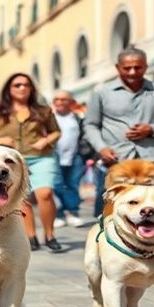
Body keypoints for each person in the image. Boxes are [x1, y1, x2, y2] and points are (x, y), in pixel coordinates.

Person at [84, 47, 154, 217]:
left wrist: (152, 129)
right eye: (127, 68)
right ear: (117, 67)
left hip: (153, 160)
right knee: (110, 210)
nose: (132, 72)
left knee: (152, 211)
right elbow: (90, 125)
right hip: (115, 159)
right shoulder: (101, 93)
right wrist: (101, 148)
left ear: (146, 67)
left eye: (138, 67)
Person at [0, 73, 63, 252]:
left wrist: (46, 141)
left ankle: (50, 235)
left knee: (45, 194)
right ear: (9, 89)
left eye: (26, 85)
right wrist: (1, 141)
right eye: (17, 85)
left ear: (31, 89)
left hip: (42, 156)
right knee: (22, 198)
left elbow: (56, 131)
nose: (22, 88)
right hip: (13, 161)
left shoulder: (43, 110)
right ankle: (30, 236)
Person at [52, 90, 93, 228]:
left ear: (71, 103)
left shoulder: (78, 118)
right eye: (57, 99)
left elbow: (87, 136)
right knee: (56, 185)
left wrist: (89, 155)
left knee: (73, 186)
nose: (59, 102)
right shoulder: (49, 118)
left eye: (64, 99)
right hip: (53, 157)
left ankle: (73, 213)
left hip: (75, 157)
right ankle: (59, 215)